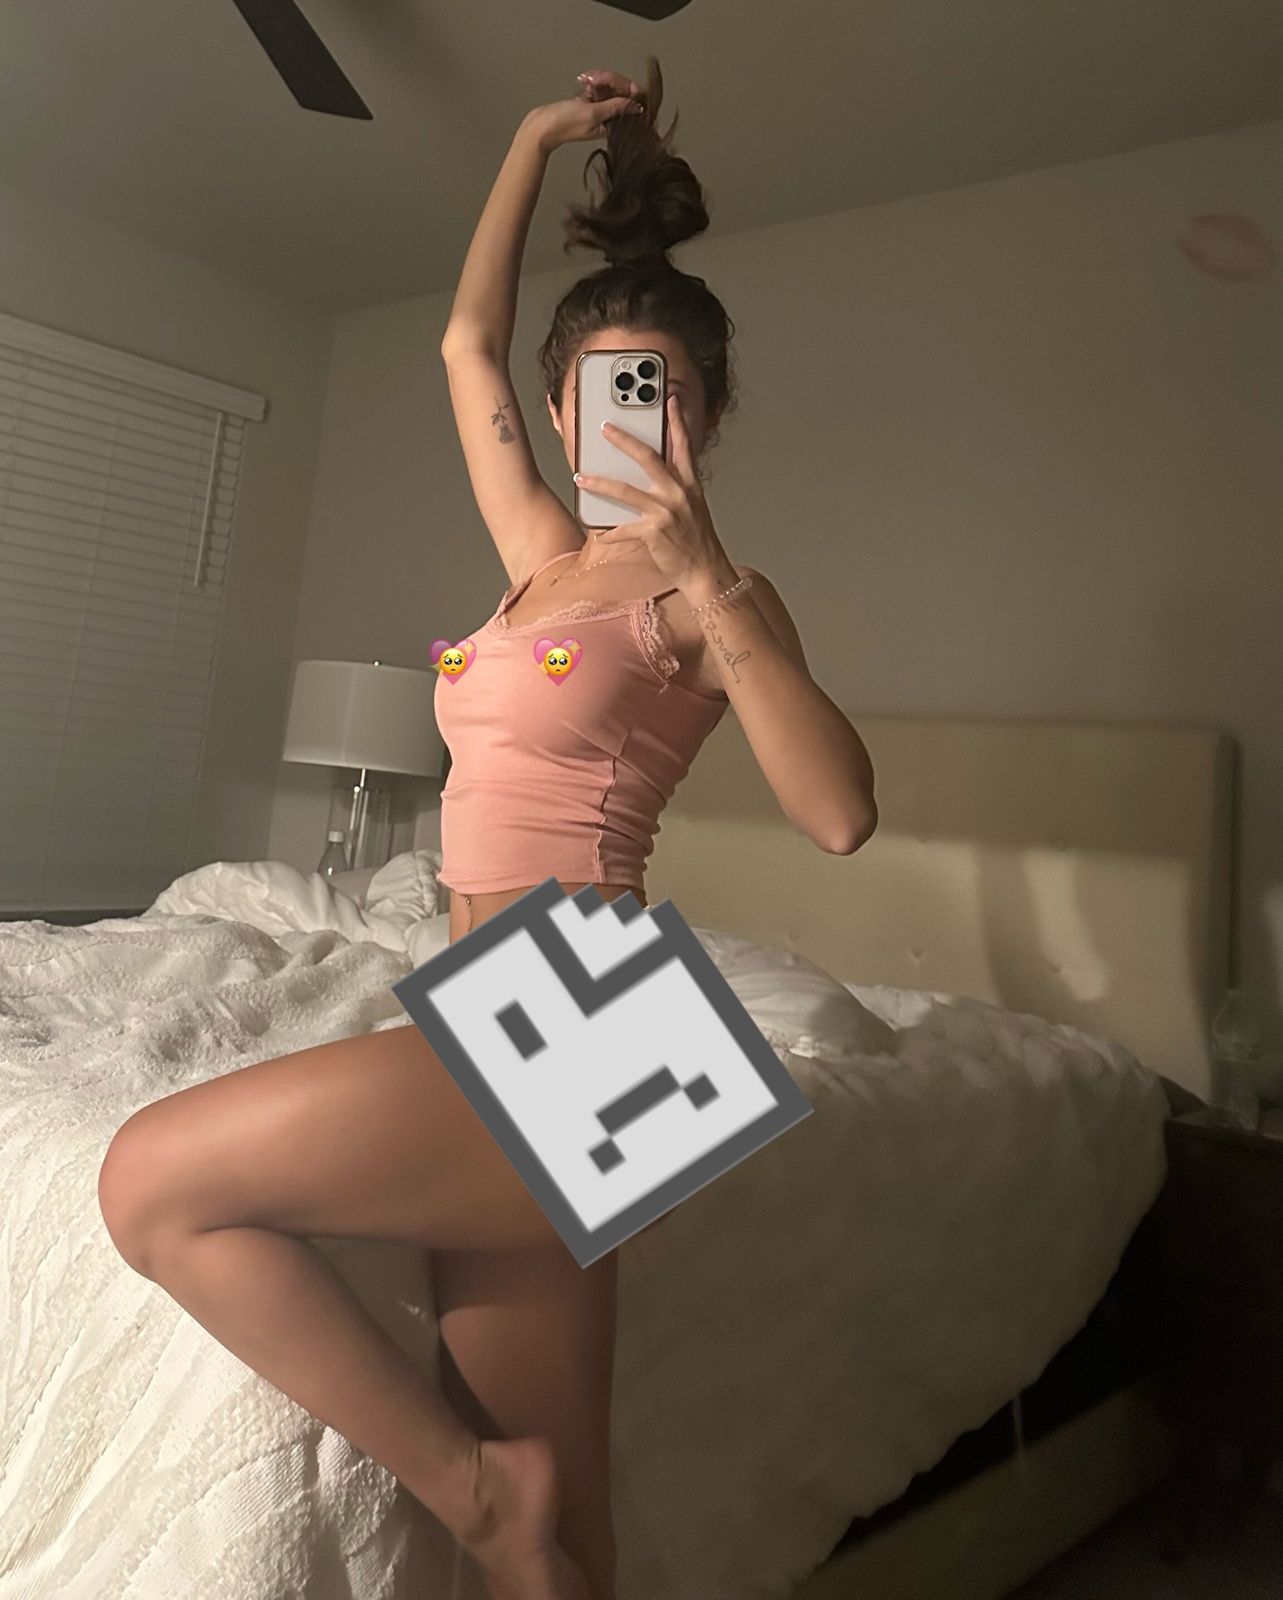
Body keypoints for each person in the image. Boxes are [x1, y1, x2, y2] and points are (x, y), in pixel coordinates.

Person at [97, 57, 877, 1600]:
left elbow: (841, 814)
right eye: (599, 388)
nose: (627, 416)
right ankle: (519, 1518)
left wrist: (710, 574)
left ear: (709, 416)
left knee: (149, 1185)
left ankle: (474, 1491)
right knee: (570, 1561)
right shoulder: (538, 560)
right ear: (563, 405)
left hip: (595, 1014)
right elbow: (463, 343)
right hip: (479, 1004)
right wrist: (530, 139)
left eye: (662, 390)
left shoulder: (708, 601)